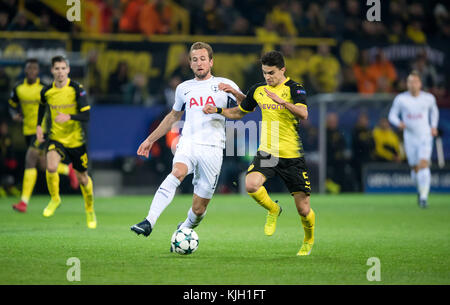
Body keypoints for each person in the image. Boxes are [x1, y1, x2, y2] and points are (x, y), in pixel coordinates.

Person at [203, 50, 315, 256]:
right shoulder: (259, 90)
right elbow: (240, 112)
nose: (267, 77)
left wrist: (283, 103)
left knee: (303, 210)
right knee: (251, 185)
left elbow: (304, 113)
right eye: (264, 73)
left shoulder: (295, 88)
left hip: (292, 155)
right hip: (268, 152)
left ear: (283, 69)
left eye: (271, 73)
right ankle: (273, 209)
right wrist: (218, 110)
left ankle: (308, 239)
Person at [130, 42, 242, 240]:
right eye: (195, 59)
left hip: (213, 149)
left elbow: (242, 111)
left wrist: (233, 96)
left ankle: (185, 227)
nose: (199, 63)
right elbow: (173, 116)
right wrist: (150, 140)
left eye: (203, 59)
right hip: (188, 143)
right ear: (190, 64)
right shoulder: (183, 88)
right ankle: (149, 221)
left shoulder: (225, 85)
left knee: (199, 209)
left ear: (211, 62)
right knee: (177, 172)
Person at [9, 58, 78, 213]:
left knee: (30, 158)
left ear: (38, 71)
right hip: (27, 131)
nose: (32, 71)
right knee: (43, 164)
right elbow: (12, 105)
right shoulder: (19, 88)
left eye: (35, 69)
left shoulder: (45, 87)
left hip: (43, 131)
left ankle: (23, 202)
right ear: (25, 71)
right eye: (29, 69)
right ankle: (69, 170)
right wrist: (14, 114)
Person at [36, 56, 97, 228]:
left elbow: (87, 115)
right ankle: (55, 199)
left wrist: (69, 116)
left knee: (83, 179)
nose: (60, 72)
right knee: (51, 167)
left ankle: (90, 210)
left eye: (63, 68)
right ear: (52, 71)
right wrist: (38, 127)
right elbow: (41, 107)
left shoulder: (77, 89)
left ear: (68, 70)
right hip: (56, 138)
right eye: (57, 68)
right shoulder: (46, 91)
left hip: (76, 140)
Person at [388, 71, 439, 208]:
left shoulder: (428, 98)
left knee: (423, 164)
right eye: (410, 82)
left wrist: (433, 126)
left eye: (415, 82)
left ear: (420, 84)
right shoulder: (401, 99)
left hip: (425, 136)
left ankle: (424, 197)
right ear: (407, 84)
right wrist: (398, 123)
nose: (412, 85)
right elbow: (392, 115)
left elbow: (434, 112)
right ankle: (420, 190)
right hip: (409, 137)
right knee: (415, 168)